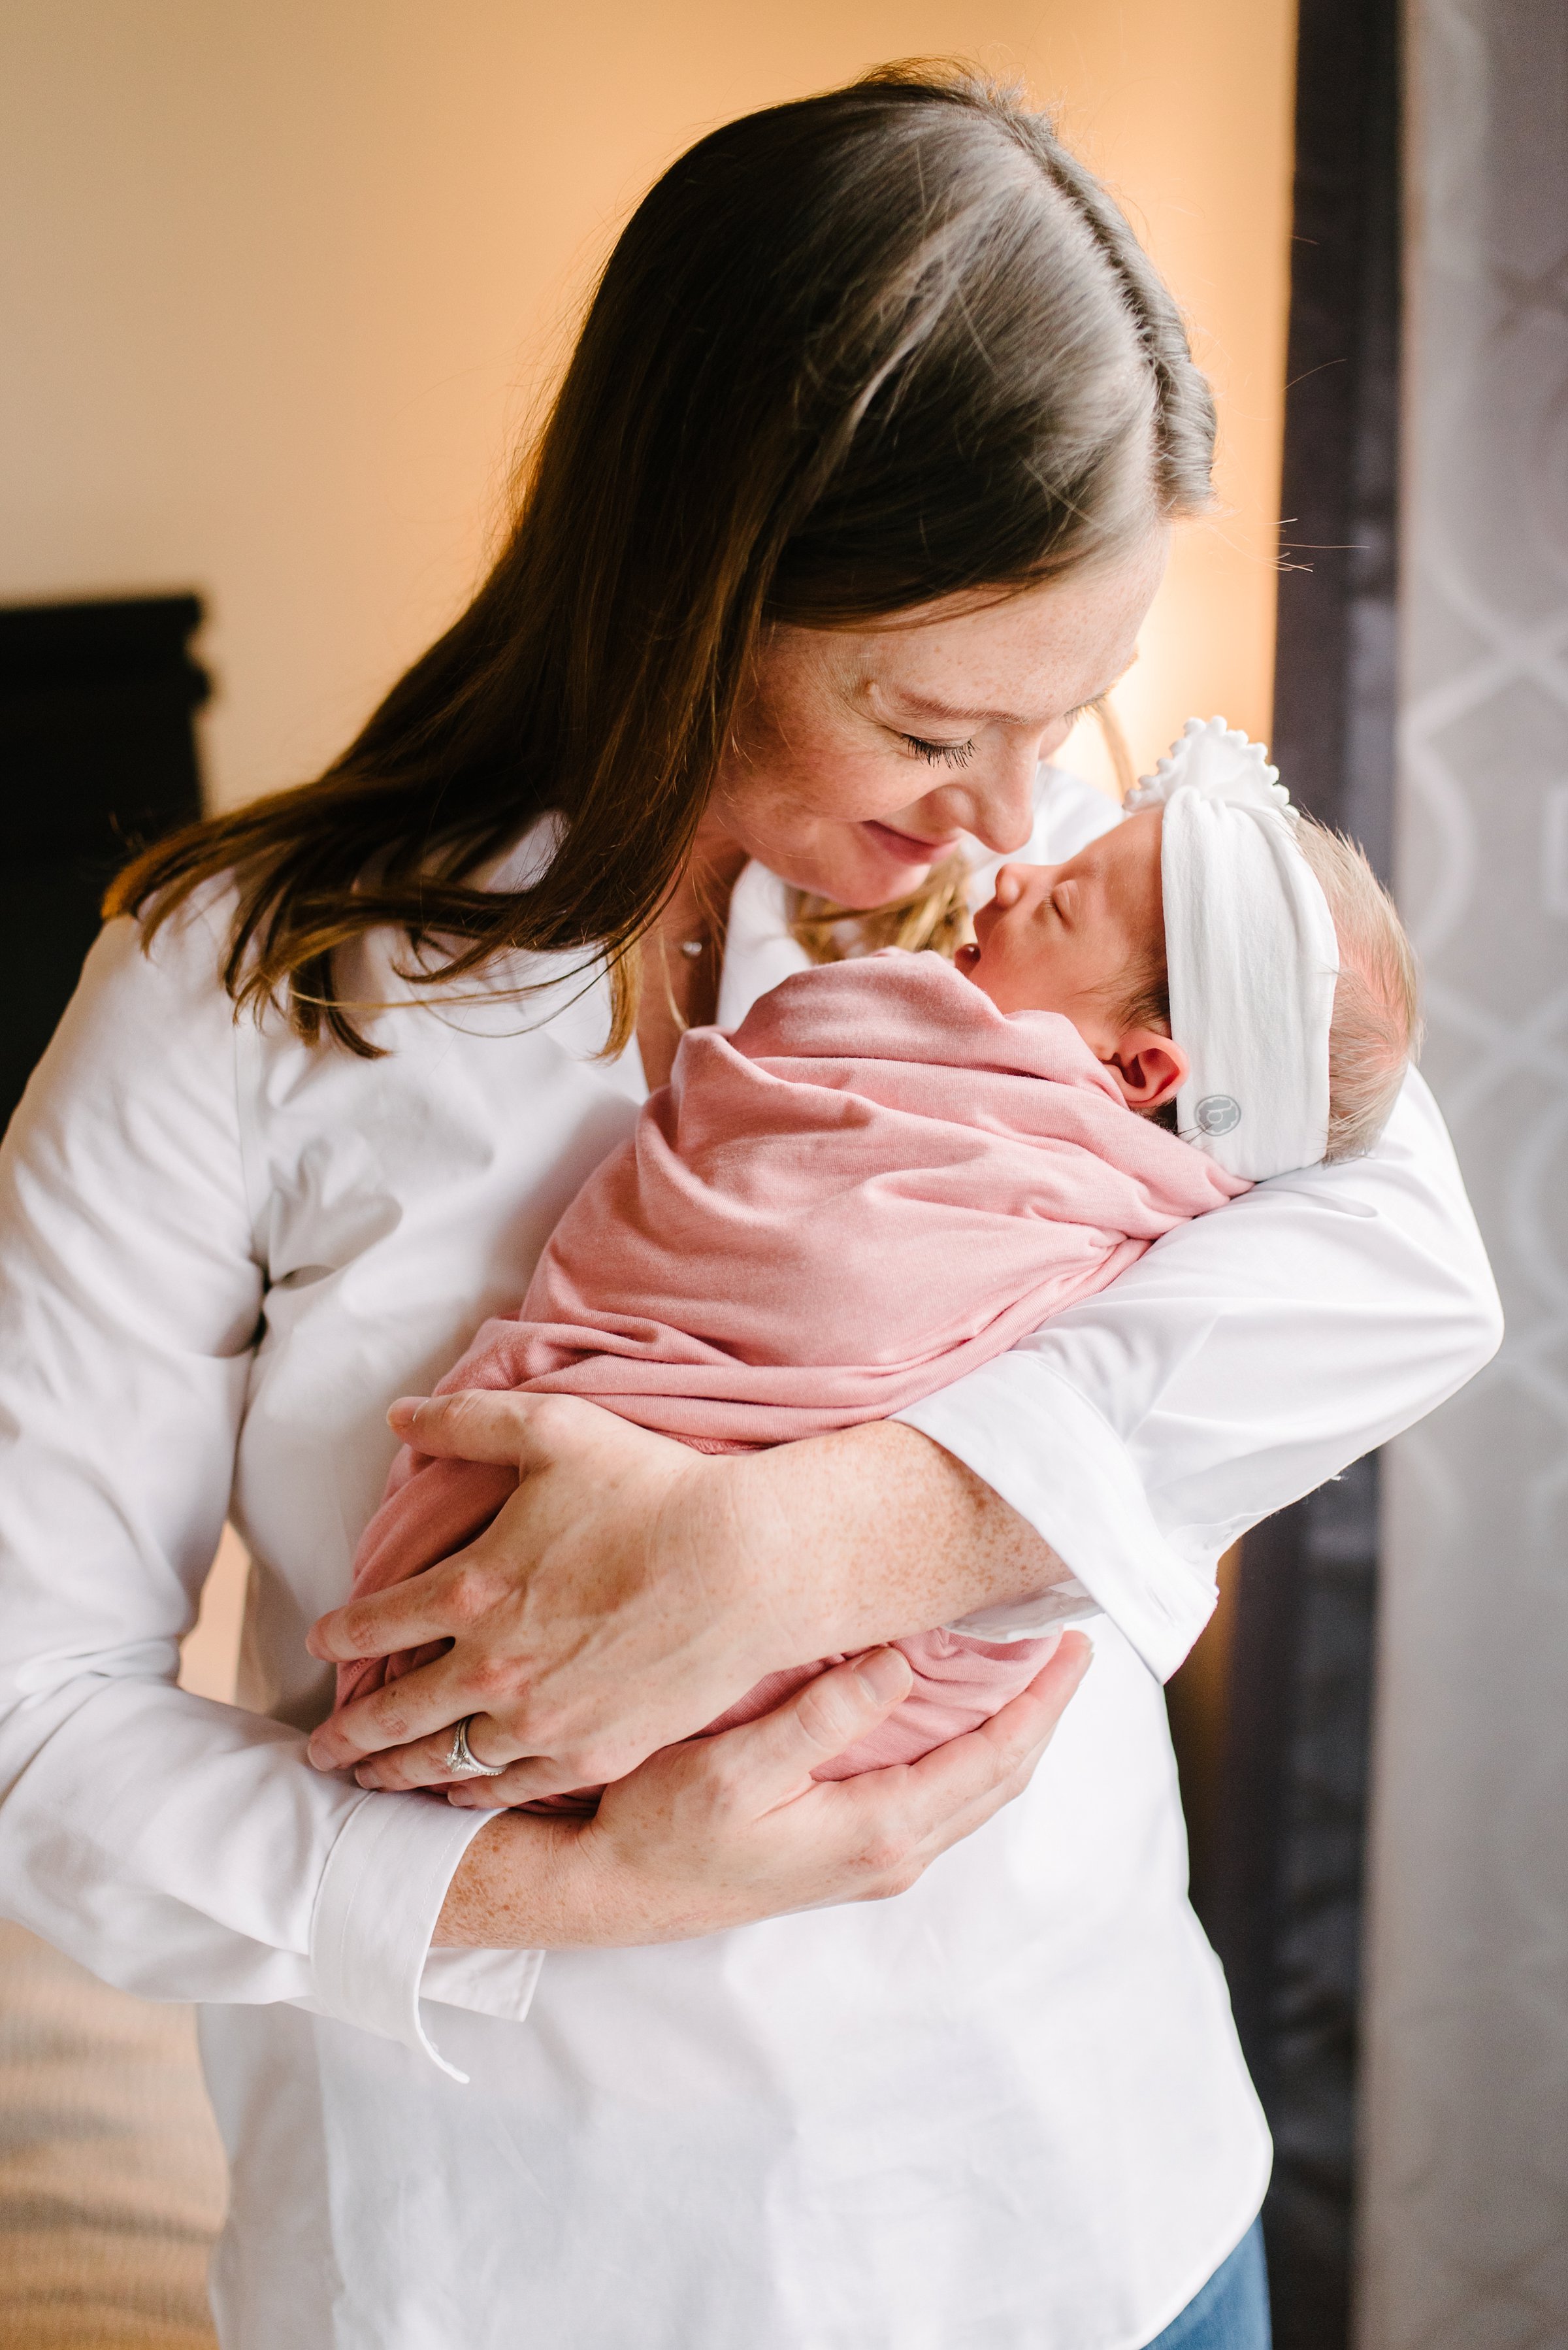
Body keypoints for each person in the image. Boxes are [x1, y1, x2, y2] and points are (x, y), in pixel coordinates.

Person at [0, 69, 1497, 2350]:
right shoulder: (240, 994)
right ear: (707, 581)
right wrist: (558, 1882)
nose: (1011, 812)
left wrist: (814, 1545)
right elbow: (34, 1728)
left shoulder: (1058, 891)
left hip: (1096, 2211)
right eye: (923, 722)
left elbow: (1408, 1260)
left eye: (1073, 712)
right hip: (531, 2273)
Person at [333, 723, 1418, 1810]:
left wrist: (763, 1550)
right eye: (934, 726)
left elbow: (1416, 1283)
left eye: (1060, 900)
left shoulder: (1151, 1140)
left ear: (1143, 1069)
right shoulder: (1103, 952)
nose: (1012, 864)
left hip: (964, 1853)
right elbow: (753, 1190)